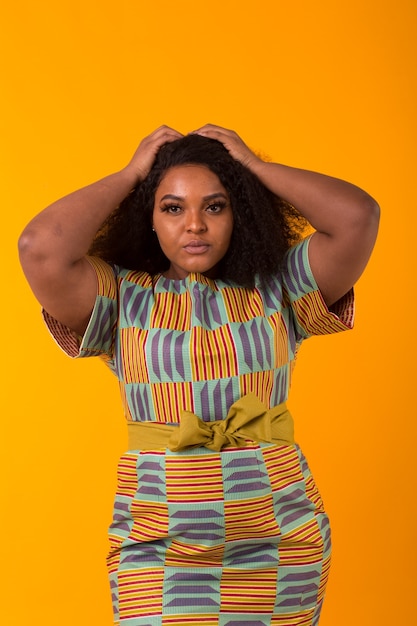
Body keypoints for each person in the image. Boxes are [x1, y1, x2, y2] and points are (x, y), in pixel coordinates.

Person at [18, 124, 380, 625]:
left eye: (215, 206)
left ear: (239, 214)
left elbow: (358, 217)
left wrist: (254, 167)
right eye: (172, 207)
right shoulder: (121, 298)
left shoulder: (279, 288)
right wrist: (131, 175)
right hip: (157, 544)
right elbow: (40, 247)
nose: (195, 225)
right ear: (149, 217)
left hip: (279, 538)